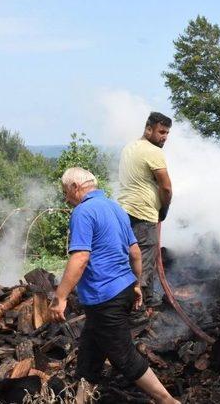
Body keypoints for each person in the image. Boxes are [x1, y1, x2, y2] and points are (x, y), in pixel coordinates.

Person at [49, 167, 178, 404]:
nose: (66, 199)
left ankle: (168, 401)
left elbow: (80, 258)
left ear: (76, 188)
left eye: (66, 192)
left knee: (124, 356)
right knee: (90, 352)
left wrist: (61, 297)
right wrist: (136, 285)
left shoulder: (83, 211)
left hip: (104, 297)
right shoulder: (115, 208)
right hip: (124, 289)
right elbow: (135, 252)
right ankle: (80, 398)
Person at [118, 112, 173, 319]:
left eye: (167, 133)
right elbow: (166, 187)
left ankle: (144, 303)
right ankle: (137, 313)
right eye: (161, 132)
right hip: (143, 214)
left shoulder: (129, 148)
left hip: (124, 211)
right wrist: (164, 209)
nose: (164, 137)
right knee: (145, 261)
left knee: (130, 258)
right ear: (148, 129)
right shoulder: (153, 152)